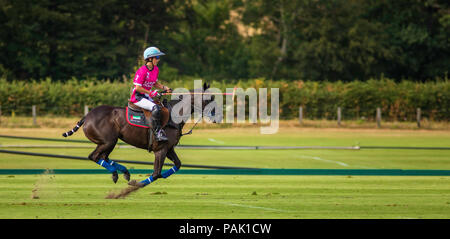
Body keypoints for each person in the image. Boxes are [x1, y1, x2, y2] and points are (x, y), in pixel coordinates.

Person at [130, 46, 172, 141]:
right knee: (155, 108)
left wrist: (165, 88)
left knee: (162, 107)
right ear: (149, 58)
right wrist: (151, 92)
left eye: (158, 58)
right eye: (156, 57)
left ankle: (162, 128)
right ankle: (157, 133)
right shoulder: (142, 71)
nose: (158, 60)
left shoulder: (156, 69)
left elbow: (155, 83)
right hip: (138, 97)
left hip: (147, 96)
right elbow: (138, 87)